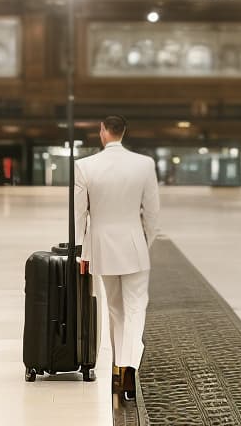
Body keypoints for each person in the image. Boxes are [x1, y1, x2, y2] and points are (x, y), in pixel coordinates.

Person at [74, 115, 160, 402]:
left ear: (102, 132)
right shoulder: (144, 165)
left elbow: (80, 215)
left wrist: (81, 251)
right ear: (124, 132)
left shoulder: (85, 166)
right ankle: (128, 367)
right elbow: (152, 214)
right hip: (134, 247)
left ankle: (117, 367)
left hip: (102, 247)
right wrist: (144, 241)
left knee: (115, 309)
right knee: (136, 308)